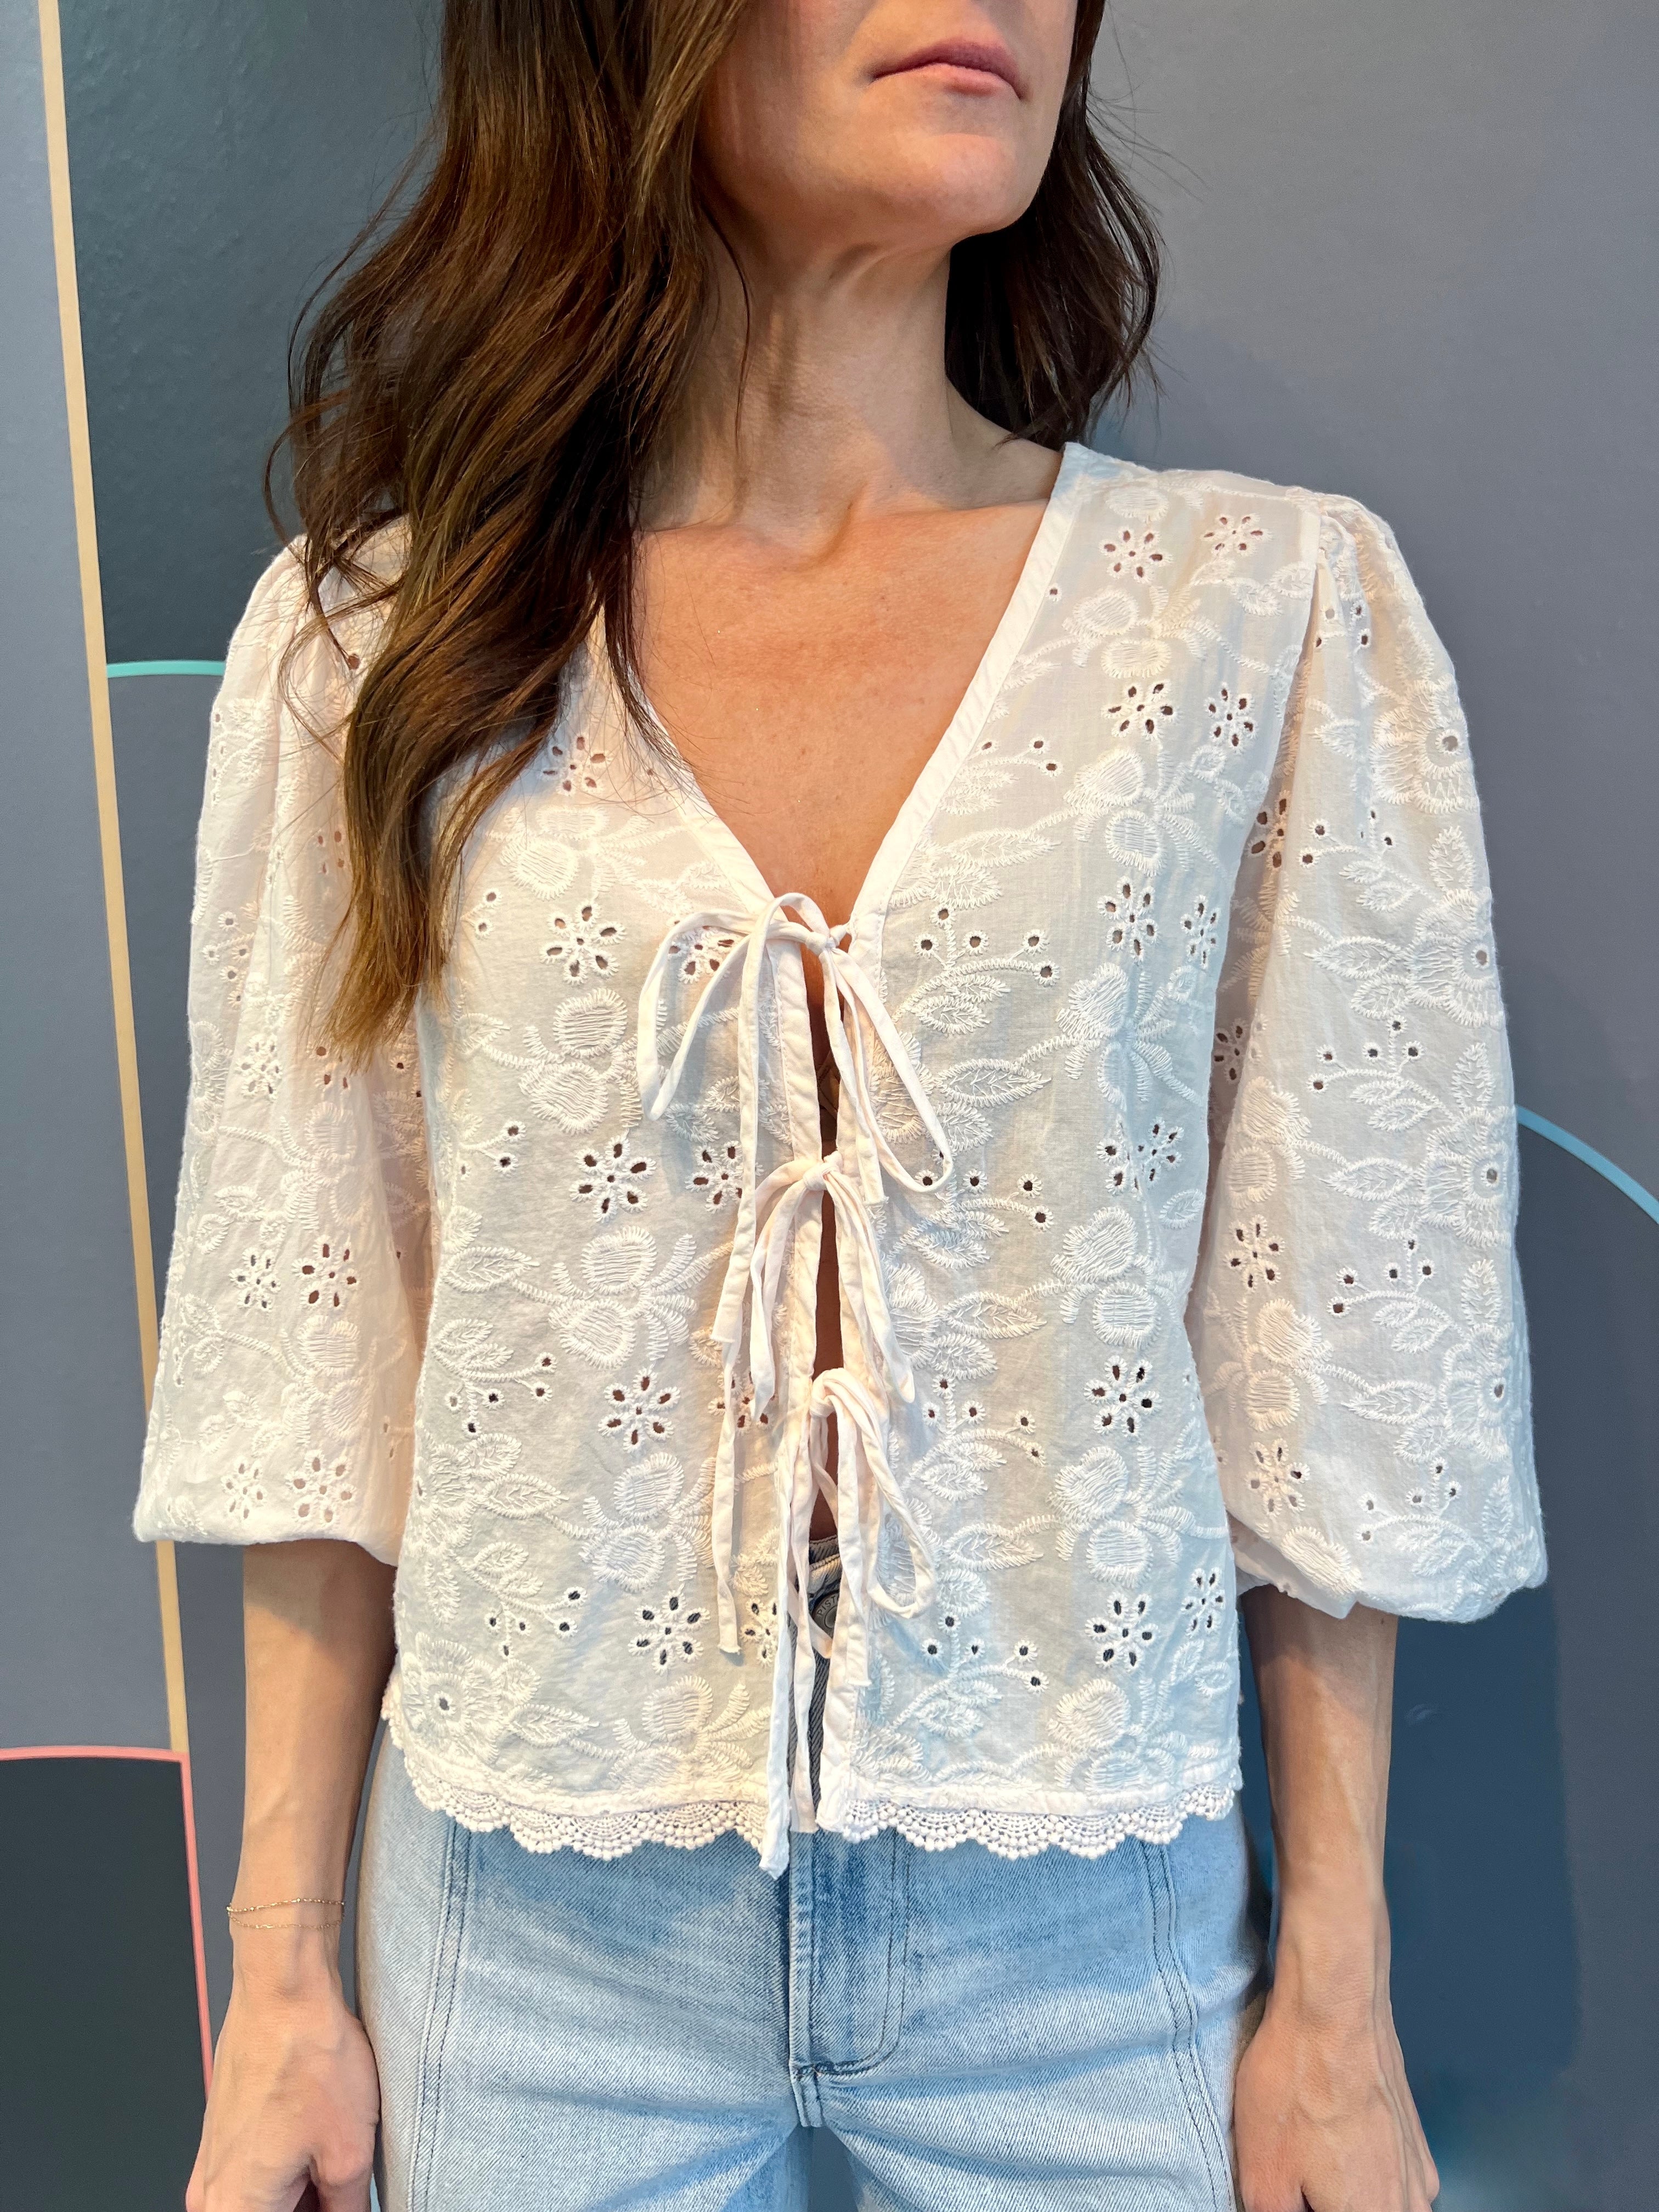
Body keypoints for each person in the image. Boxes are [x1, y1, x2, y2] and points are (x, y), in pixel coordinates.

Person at [134, 2, 1546, 2206]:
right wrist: (286, 1979)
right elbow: (316, 1364)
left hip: (1088, 1939)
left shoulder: (1255, 619)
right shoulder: (378, 650)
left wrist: (1337, 2002)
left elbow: (1331, 1364)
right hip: (528, 1939)